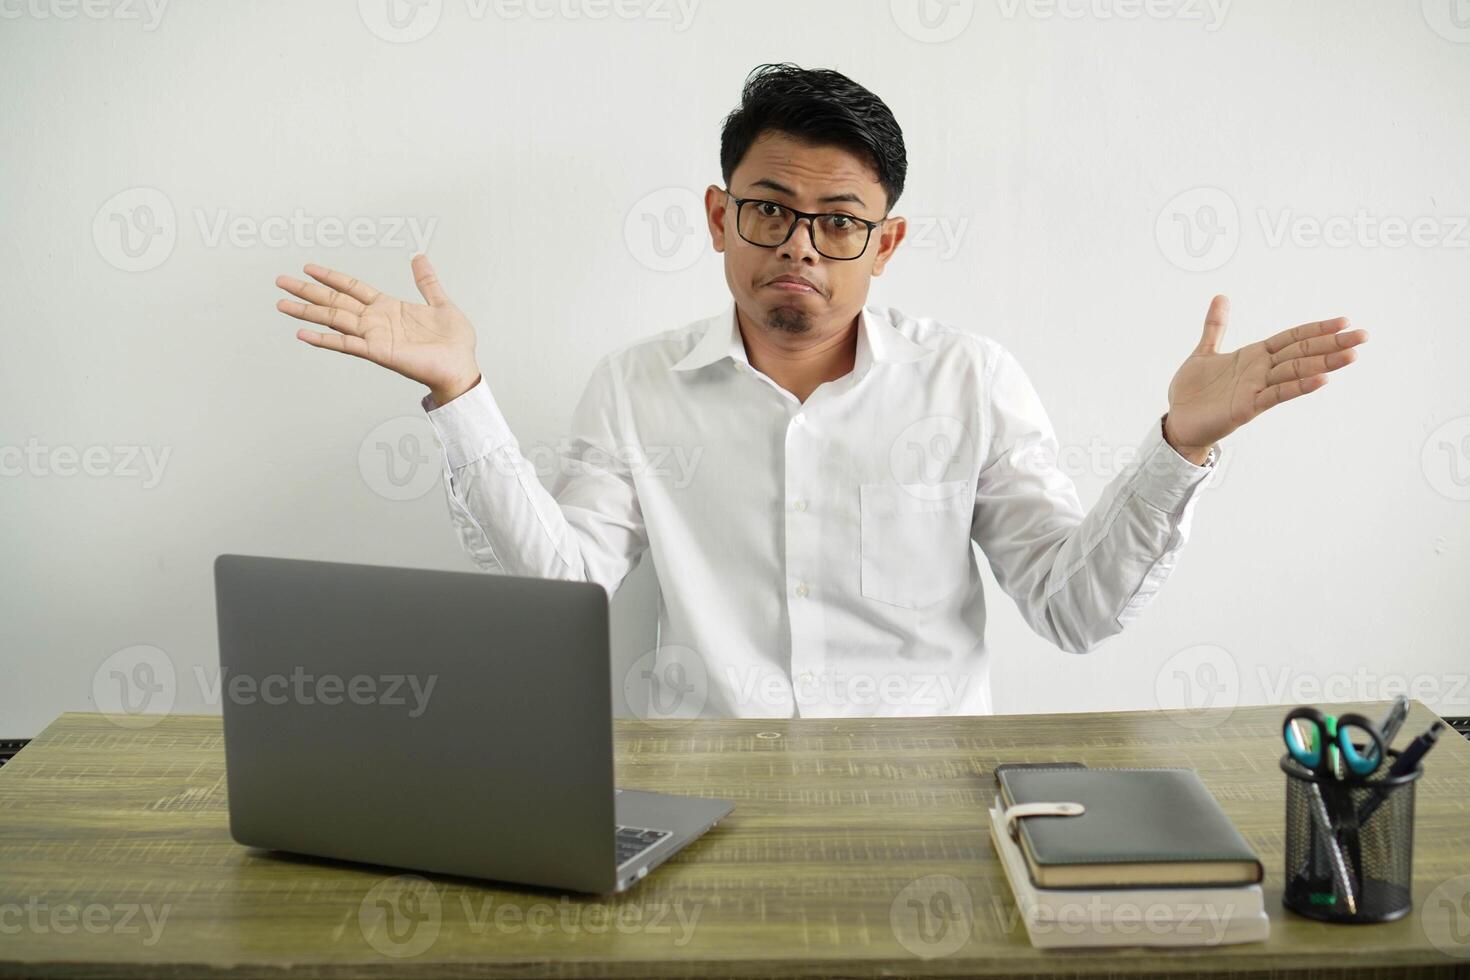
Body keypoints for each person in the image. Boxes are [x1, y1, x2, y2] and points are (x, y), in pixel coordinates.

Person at [273, 63, 1367, 719]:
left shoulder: (969, 381)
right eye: (768, 208)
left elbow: (1074, 609)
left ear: (884, 241)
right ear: (718, 215)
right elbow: (567, 590)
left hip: (928, 813)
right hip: (700, 804)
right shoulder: (635, 385)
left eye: (838, 219)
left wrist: (1180, 443)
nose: (800, 244)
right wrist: (462, 390)